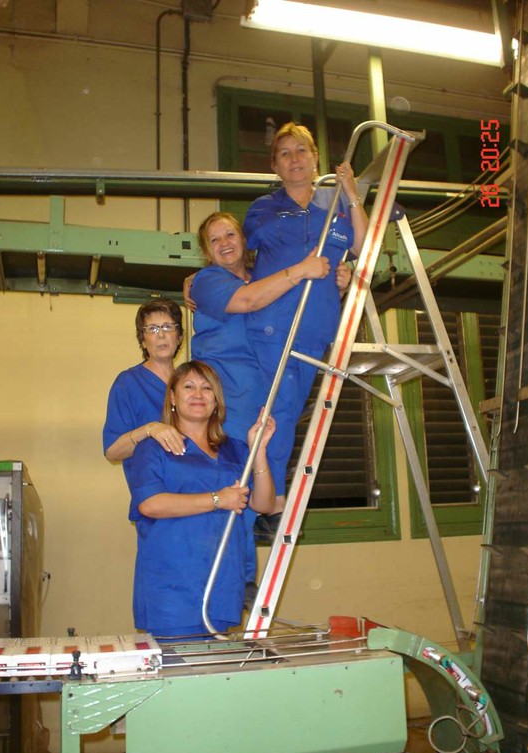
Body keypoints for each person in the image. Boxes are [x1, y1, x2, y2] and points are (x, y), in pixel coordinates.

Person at [242, 121, 369, 513]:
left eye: (302, 151)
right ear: (275, 166)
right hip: (273, 326)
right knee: (276, 412)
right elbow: (238, 260)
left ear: (316, 159)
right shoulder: (264, 209)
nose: (294, 159)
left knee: (288, 412)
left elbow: (364, 247)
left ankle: (268, 498)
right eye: (285, 153)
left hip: (316, 330)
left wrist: (351, 194)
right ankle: (271, 503)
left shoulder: (335, 210)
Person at [124, 361, 276, 638]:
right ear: (172, 397)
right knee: (179, 664)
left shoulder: (234, 449)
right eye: (189, 387)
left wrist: (259, 450)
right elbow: (150, 504)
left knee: (216, 664)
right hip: (173, 590)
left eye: (207, 388)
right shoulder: (152, 449)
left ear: (216, 400)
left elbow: (263, 504)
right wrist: (218, 499)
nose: (198, 394)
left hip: (222, 583)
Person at [189, 211, 330, 455]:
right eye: (214, 240)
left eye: (230, 235)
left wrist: (335, 286)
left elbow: (300, 312)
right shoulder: (206, 281)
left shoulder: (265, 280)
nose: (224, 243)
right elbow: (249, 300)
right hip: (226, 415)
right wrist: (302, 270)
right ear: (207, 252)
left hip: (268, 410)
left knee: (269, 476)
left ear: (244, 240)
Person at [103, 298, 186, 464]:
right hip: (151, 477)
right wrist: (150, 430)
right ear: (142, 340)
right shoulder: (128, 383)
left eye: (168, 327)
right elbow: (112, 451)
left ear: (179, 337)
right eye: (152, 329)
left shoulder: (190, 383)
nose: (161, 335)